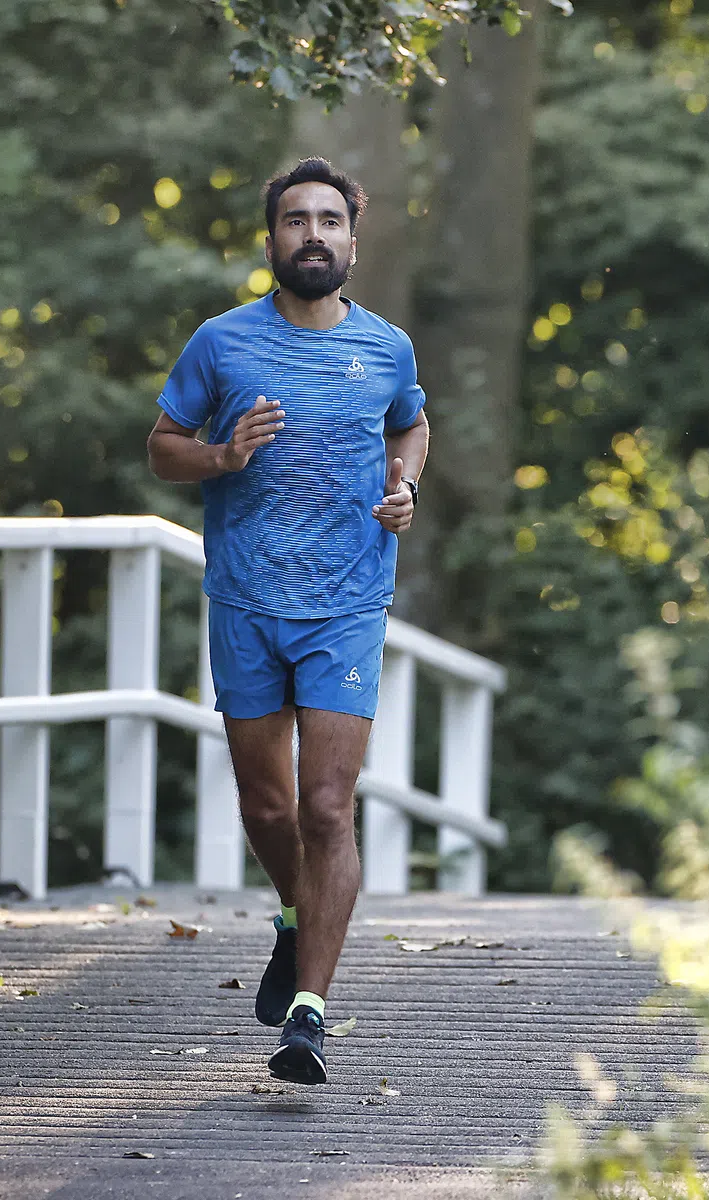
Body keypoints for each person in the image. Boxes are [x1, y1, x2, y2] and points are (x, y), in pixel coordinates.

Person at [145, 157, 429, 1085]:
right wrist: (222, 455)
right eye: (296, 221)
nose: (314, 234)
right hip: (246, 602)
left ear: (354, 238)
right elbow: (162, 449)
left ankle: (309, 1012)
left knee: (325, 805)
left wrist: (404, 484)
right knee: (267, 808)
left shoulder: (387, 348)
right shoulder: (223, 343)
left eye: (330, 221)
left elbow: (410, 425)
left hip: (346, 604)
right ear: (272, 241)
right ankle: (299, 913)